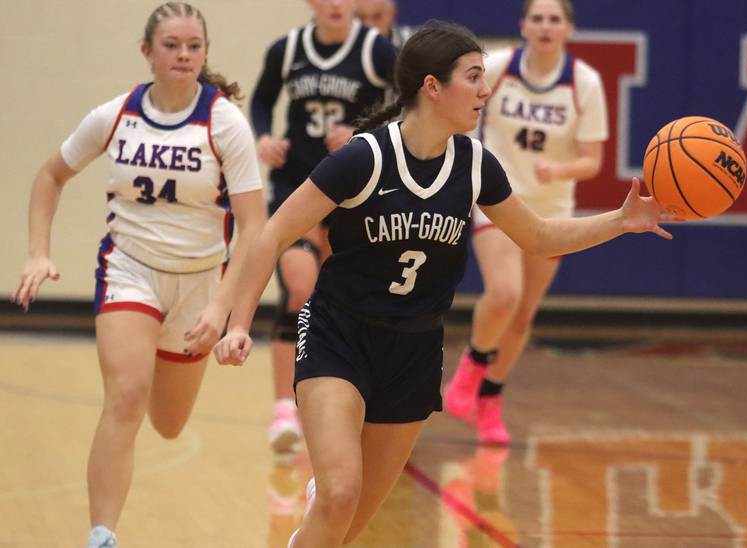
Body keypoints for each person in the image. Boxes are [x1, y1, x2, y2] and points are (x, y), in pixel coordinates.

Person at [214, 20, 673, 547]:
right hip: (338, 336)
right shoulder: (364, 157)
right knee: (341, 494)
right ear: (433, 86)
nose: (486, 89)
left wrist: (620, 221)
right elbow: (270, 235)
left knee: (350, 523)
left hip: (413, 349)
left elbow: (540, 237)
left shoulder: (476, 166)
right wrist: (240, 323)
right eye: (474, 77)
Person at [10, 3, 265, 547]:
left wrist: (224, 307)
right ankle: (101, 536)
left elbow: (254, 228)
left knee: (169, 424)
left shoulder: (224, 123)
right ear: (147, 52)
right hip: (129, 270)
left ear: (204, 54)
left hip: (200, 285)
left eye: (194, 46)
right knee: (126, 395)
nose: (184, 55)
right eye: (171, 44)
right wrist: (38, 252)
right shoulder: (117, 114)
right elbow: (50, 175)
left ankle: (167, 357)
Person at [443, 0, 609, 445]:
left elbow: (593, 161)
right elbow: (458, 107)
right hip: (499, 197)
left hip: (552, 207)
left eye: (555, 19)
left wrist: (561, 171)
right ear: (523, 26)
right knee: (503, 294)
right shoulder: (498, 67)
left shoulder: (584, 82)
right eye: (537, 18)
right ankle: (471, 366)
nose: (545, 26)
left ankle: (490, 400)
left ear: (569, 29)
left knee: (522, 315)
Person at [250, 0, 396, 454]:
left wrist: (364, 130)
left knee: (340, 304)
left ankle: (333, 406)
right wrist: (264, 137)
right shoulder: (287, 49)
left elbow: (410, 106)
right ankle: (282, 409)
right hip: (297, 185)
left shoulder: (376, 51)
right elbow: (260, 101)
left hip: (354, 190)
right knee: (298, 289)